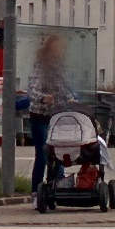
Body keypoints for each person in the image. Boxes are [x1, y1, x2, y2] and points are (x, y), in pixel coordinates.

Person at [25, 33, 70, 194]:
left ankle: (57, 188)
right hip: (40, 116)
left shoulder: (61, 67)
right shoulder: (41, 66)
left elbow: (65, 88)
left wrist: (70, 98)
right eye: (57, 48)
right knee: (43, 154)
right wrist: (44, 98)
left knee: (59, 154)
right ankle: (36, 192)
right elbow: (32, 89)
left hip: (57, 117)